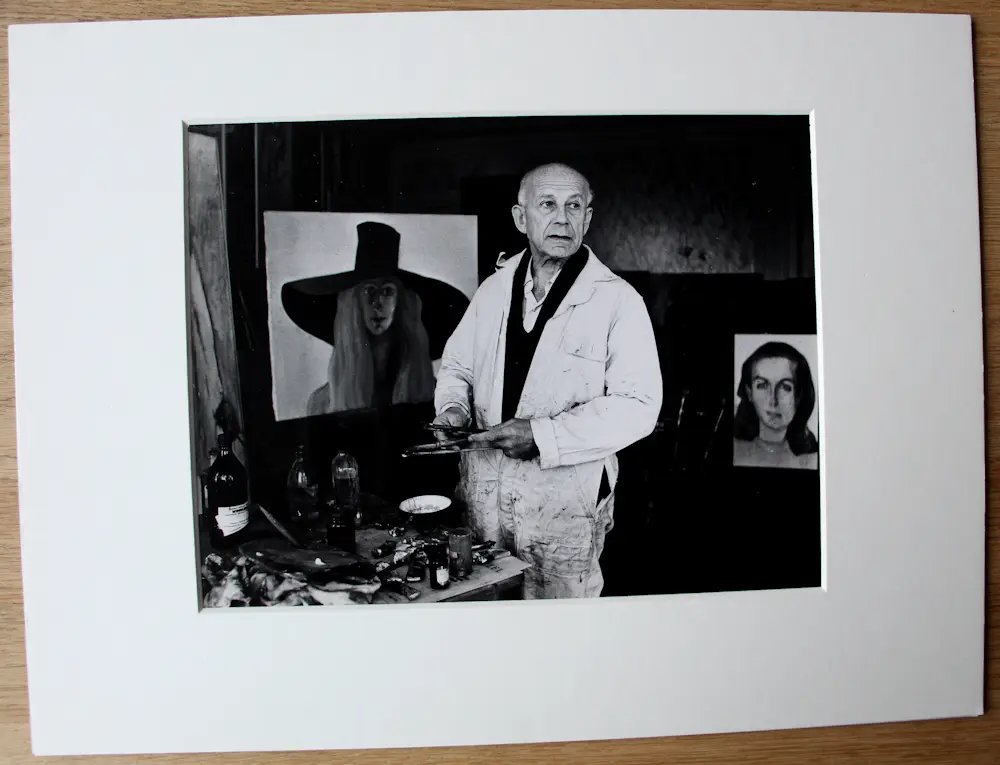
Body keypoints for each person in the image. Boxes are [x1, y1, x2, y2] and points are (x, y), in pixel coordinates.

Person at [432, 163, 663, 599]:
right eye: (548, 205)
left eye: (574, 206)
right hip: (483, 501)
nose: (562, 218)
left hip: (563, 508)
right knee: (485, 614)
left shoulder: (618, 300)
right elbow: (457, 366)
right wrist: (453, 408)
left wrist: (542, 436)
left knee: (559, 625)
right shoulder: (492, 291)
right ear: (521, 218)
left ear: (587, 219)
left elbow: (639, 407)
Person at [281, 221, 470, 416]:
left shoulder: (437, 397)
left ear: (401, 303)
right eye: (369, 291)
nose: (377, 304)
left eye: (387, 291)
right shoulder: (323, 403)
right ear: (355, 303)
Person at [732, 340, 819, 470]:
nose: (773, 400)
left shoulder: (813, 459)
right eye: (762, 385)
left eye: (785, 387)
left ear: (800, 396)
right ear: (749, 392)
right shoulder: (732, 451)